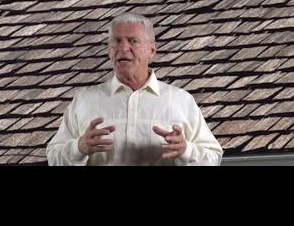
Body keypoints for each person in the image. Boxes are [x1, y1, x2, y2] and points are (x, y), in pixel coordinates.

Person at [46, 12, 222, 166]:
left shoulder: (180, 101)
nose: (123, 48)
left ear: (152, 50)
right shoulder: (84, 100)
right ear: (109, 50)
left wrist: (186, 150)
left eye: (133, 41)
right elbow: (53, 157)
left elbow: (213, 156)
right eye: (116, 41)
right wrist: (78, 148)